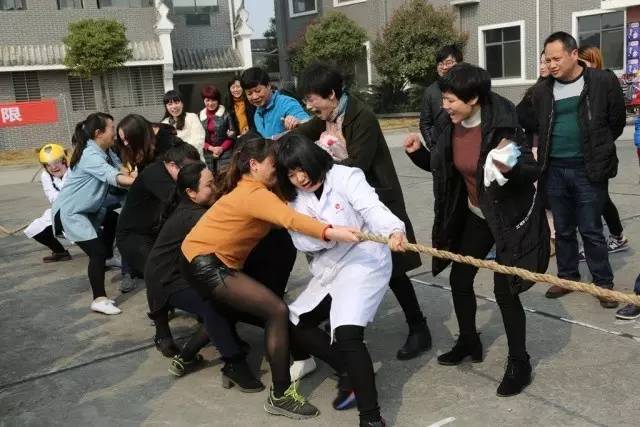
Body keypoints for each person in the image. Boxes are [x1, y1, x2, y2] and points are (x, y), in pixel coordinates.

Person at [180, 135, 361, 420]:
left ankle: (328, 363)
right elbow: (291, 219)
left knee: (273, 314)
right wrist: (331, 231)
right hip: (205, 263)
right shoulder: (255, 195)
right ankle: (281, 395)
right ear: (254, 165)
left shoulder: (252, 188)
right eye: (273, 164)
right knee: (276, 311)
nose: (278, 169)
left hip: (202, 260)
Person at [404, 63, 550, 396]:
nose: (444, 106)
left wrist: (509, 166)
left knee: (505, 289)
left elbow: (531, 170)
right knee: (460, 278)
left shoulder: (504, 124)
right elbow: (444, 166)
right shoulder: (450, 124)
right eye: (443, 98)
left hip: (508, 218)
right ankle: (469, 341)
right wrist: (418, 154)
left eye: (450, 100)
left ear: (473, 99)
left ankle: (520, 362)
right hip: (476, 213)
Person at [293, 63, 431, 361]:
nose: (309, 106)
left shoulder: (362, 116)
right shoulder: (327, 116)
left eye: (312, 99)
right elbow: (303, 134)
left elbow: (358, 164)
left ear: (331, 95)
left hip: (375, 199)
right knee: (345, 265)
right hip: (347, 203)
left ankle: (419, 327)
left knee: (395, 268)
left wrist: (317, 167)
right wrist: (279, 146)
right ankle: (343, 323)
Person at [278, 134, 406, 427]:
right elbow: (301, 240)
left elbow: (372, 209)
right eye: (291, 174)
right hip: (331, 263)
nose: (300, 179)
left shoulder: (346, 177)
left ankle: (371, 419)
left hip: (364, 258)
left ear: (314, 159)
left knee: (348, 333)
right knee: (295, 322)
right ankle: (349, 369)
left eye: (302, 169)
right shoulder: (294, 197)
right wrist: (330, 234)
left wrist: (393, 231)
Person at [145, 162, 264, 390]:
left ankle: (188, 355)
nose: (216, 188)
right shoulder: (195, 216)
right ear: (191, 192)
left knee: (226, 300)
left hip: (181, 273)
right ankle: (234, 363)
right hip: (168, 280)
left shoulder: (194, 209)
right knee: (217, 305)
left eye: (215, 182)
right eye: (210, 185)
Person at [531, 32, 626, 307]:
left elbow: (616, 121)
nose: (551, 65)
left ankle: (603, 284)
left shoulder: (601, 81)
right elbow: (531, 121)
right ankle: (567, 277)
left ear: (574, 54)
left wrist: (598, 147)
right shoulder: (542, 90)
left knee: (591, 229)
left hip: (588, 169)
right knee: (562, 229)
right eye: (547, 60)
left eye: (556, 59)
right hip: (554, 168)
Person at [116, 141, 201, 356]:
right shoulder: (155, 175)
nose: (192, 175)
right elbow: (182, 202)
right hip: (134, 236)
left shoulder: (174, 174)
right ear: (172, 165)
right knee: (156, 274)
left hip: (157, 233)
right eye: (187, 169)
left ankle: (203, 314)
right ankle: (162, 334)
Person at [52, 113, 137, 315]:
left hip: (89, 208)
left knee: (113, 219)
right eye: (111, 128)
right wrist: (141, 180)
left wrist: (132, 174)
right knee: (96, 252)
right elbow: (114, 177)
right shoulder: (90, 155)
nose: (114, 133)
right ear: (99, 133)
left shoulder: (105, 151)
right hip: (72, 213)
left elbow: (120, 170)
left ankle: (108, 257)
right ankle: (99, 299)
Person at [576, 46, 629, 257]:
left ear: (594, 62)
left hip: (599, 153)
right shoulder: (576, 84)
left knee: (597, 200)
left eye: (583, 61)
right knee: (599, 199)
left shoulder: (605, 80)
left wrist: (602, 142)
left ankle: (606, 241)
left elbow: (617, 119)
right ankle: (615, 236)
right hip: (581, 154)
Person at [517, 51, 556, 254]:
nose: (542, 66)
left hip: (549, 150)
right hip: (532, 148)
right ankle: (543, 236)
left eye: (547, 62)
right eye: (541, 62)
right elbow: (520, 114)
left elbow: (542, 121)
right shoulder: (535, 90)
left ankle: (554, 238)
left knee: (549, 197)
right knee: (535, 195)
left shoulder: (556, 90)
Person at [24, 143, 72, 263]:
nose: (53, 167)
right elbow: (52, 197)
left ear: (64, 160)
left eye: (56, 162)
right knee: (35, 228)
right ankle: (60, 252)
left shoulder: (74, 171)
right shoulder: (45, 176)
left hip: (79, 210)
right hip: (59, 210)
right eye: (48, 165)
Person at [240, 67, 309, 139]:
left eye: (258, 91)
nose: (254, 97)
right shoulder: (257, 114)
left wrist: (297, 122)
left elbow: (308, 124)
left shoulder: (286, 103)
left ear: (268, 86)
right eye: (249, 94)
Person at [419, 44, 463, 148]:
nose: (444, 67)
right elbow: (425, 123)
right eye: (440, 64)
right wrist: (432, 146)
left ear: (460, 64)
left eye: (448, 63)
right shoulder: (430, 92)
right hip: (441, 147)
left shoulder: (468, 86)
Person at [116, 114, 181, 171]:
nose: (125, 143)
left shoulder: (166, 141)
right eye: (123, 140)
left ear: (137, 134)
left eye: (127, 139)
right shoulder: (144, 138)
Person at [199, 85, 236, 174]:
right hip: (207, 153)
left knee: (226, 178)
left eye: (213, 100)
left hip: (226, 153)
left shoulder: (226, 114)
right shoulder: (199, 116)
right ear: (204, 100)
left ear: (218, 100)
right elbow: (198, 138)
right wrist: (211, 148)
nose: (210, 103)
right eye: (207, 100)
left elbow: (232, 136)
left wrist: (221, 148)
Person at [161, 90, 206, 161]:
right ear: (166, 107)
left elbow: (198, 142)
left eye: (176, 102)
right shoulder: (164, 123)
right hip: (174, 164)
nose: (174, 106)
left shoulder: (192, 117)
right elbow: (164, 147)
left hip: (194, 161)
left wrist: (182, 158)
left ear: (182, 104)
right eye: (170, 104)